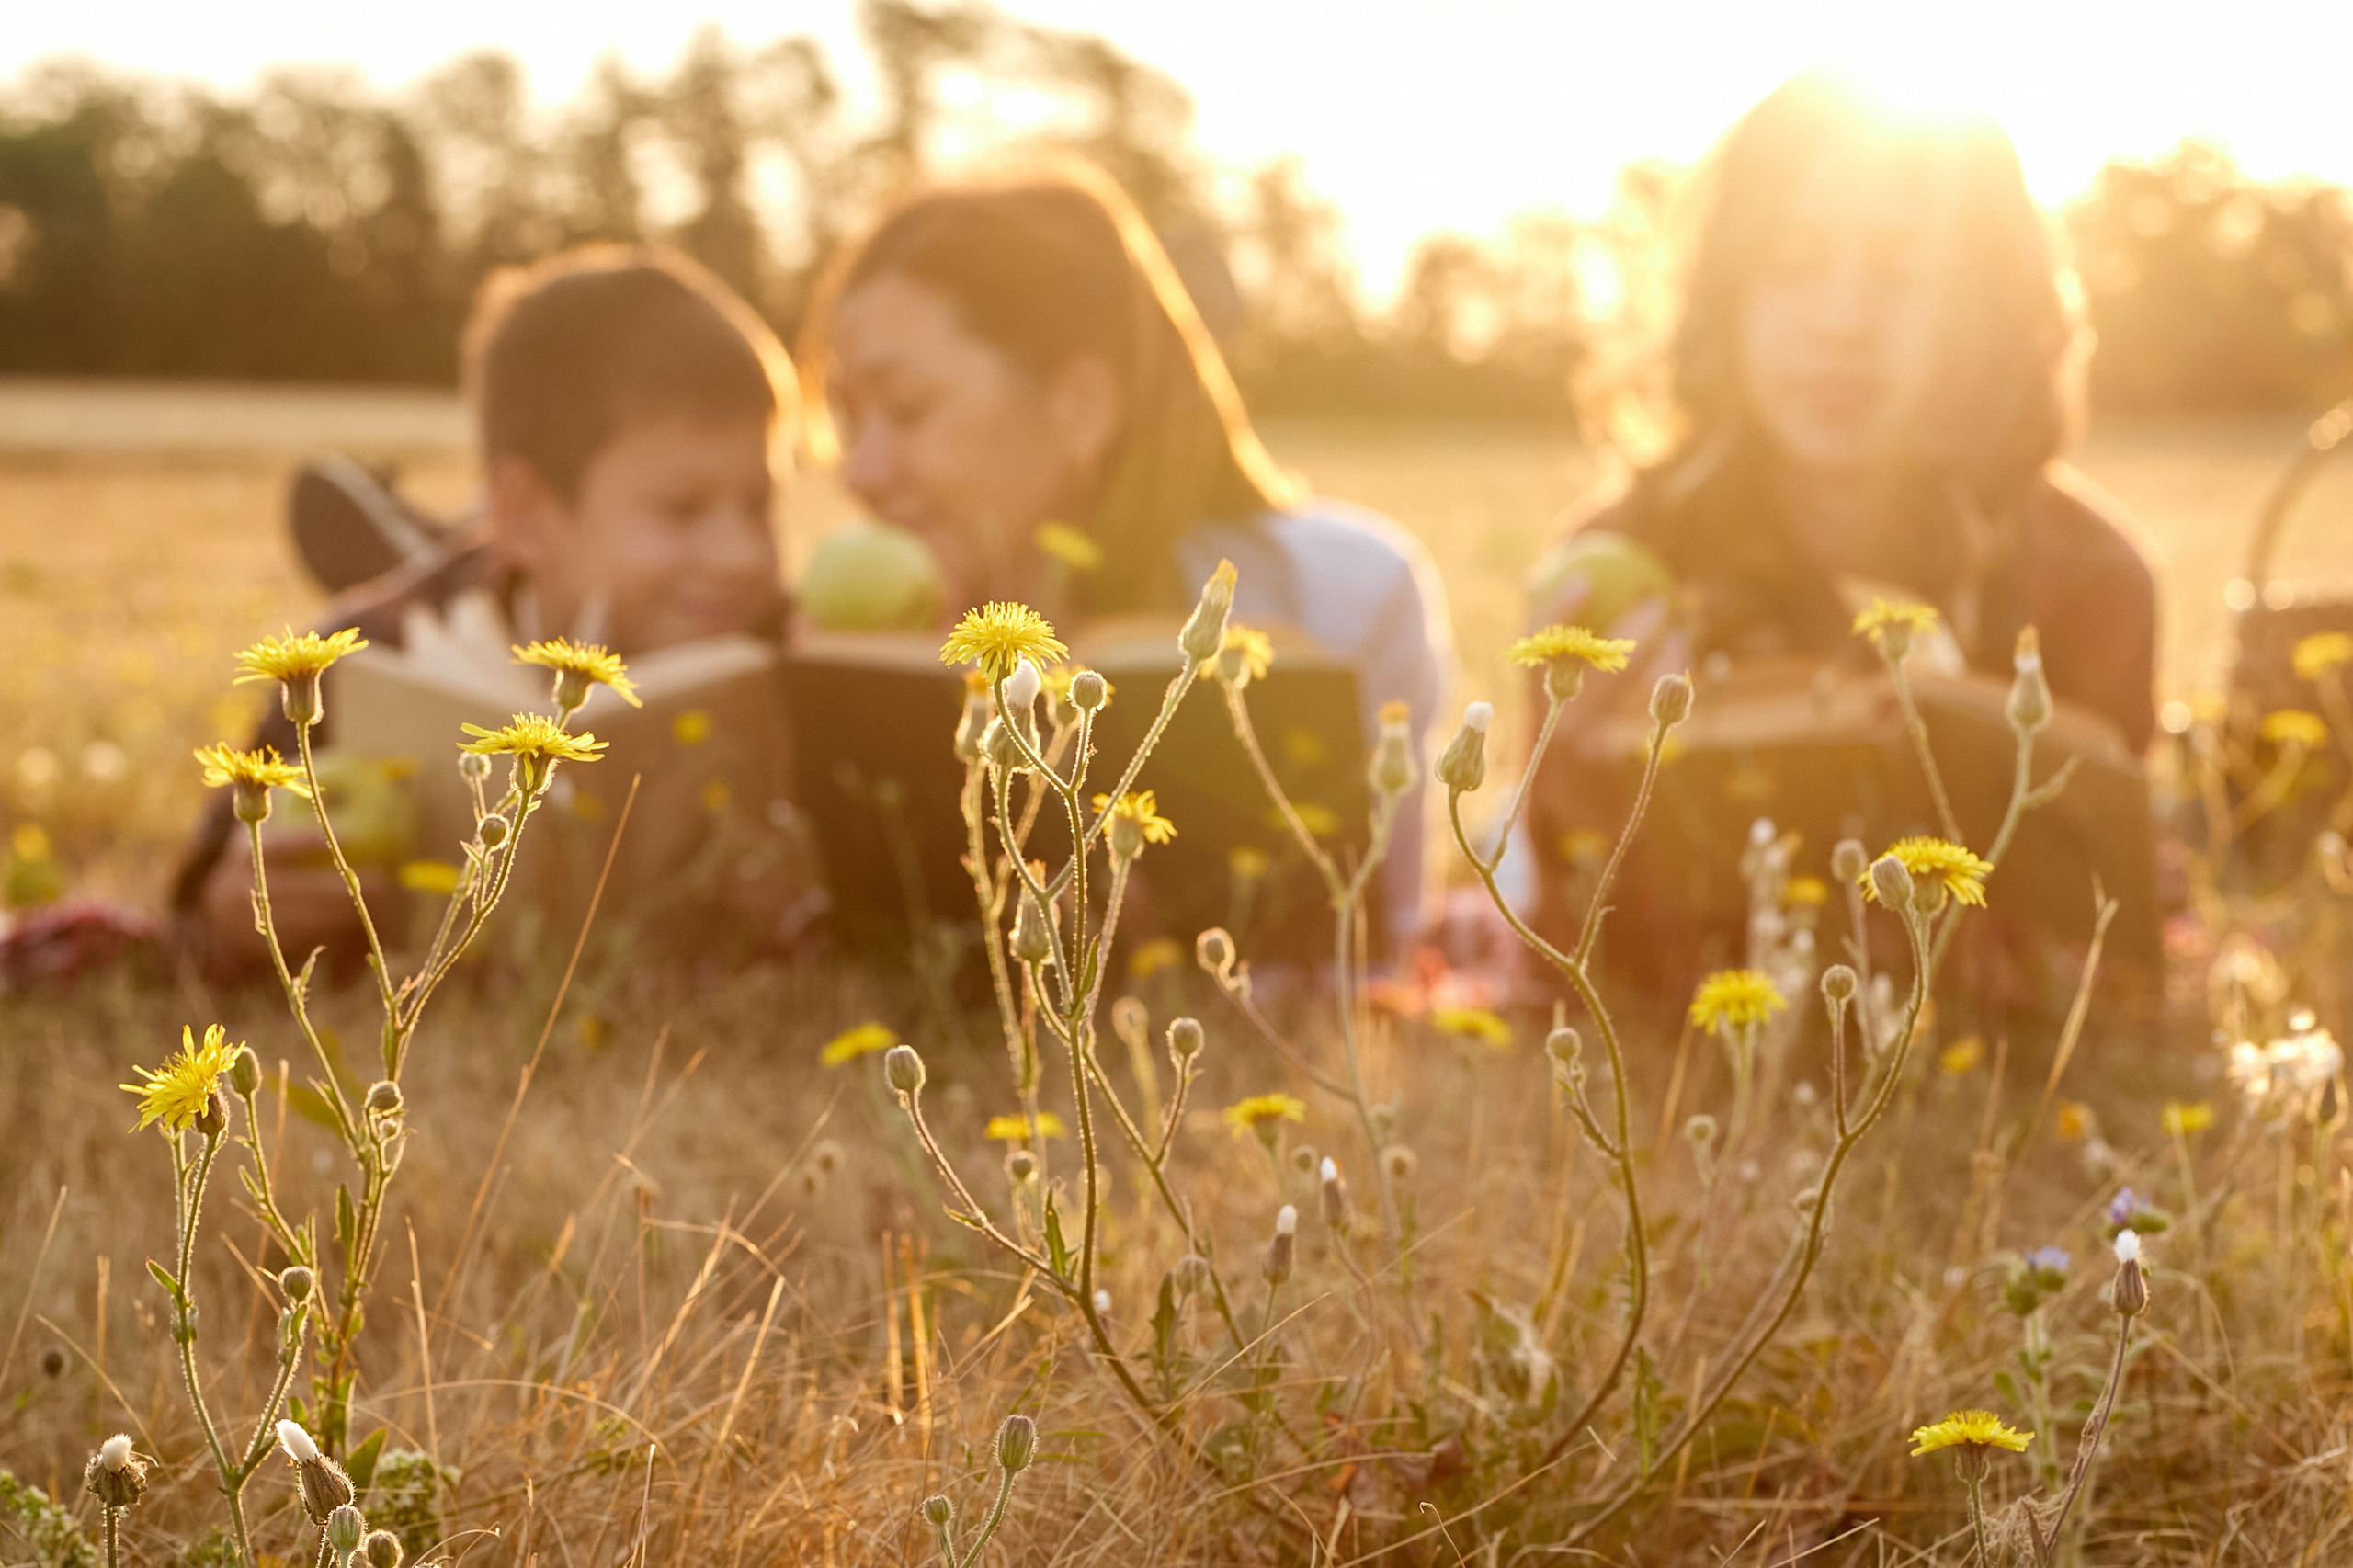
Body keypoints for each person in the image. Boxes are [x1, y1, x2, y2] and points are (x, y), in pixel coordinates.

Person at [1518, 74, 2159, 979]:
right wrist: (1586, 767)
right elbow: (1559, 944)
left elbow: (2098, 948)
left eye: (1901, 274)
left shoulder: (2089, 575)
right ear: (1725, 295)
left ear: (1983, 305)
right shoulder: (1618, 562)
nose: (1841, 321)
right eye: (1790, 263)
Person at [800, 163, 1454, 948]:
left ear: (1081, 407)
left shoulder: (1344, 595)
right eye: (847, 419)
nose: (860, 473)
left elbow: (1372, 941)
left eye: (906, 410)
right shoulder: (832, 635)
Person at [174, 244, 798, 978]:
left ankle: (426, 537)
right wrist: (236, 912)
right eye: (682, 510)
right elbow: (192, 910)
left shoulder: (771, 639)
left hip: (523, 566)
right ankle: (434, 548)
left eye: (760, 505)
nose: (743, 554)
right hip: (456, 606)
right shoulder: (363, 660)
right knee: (415, 606)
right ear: (529, 512)